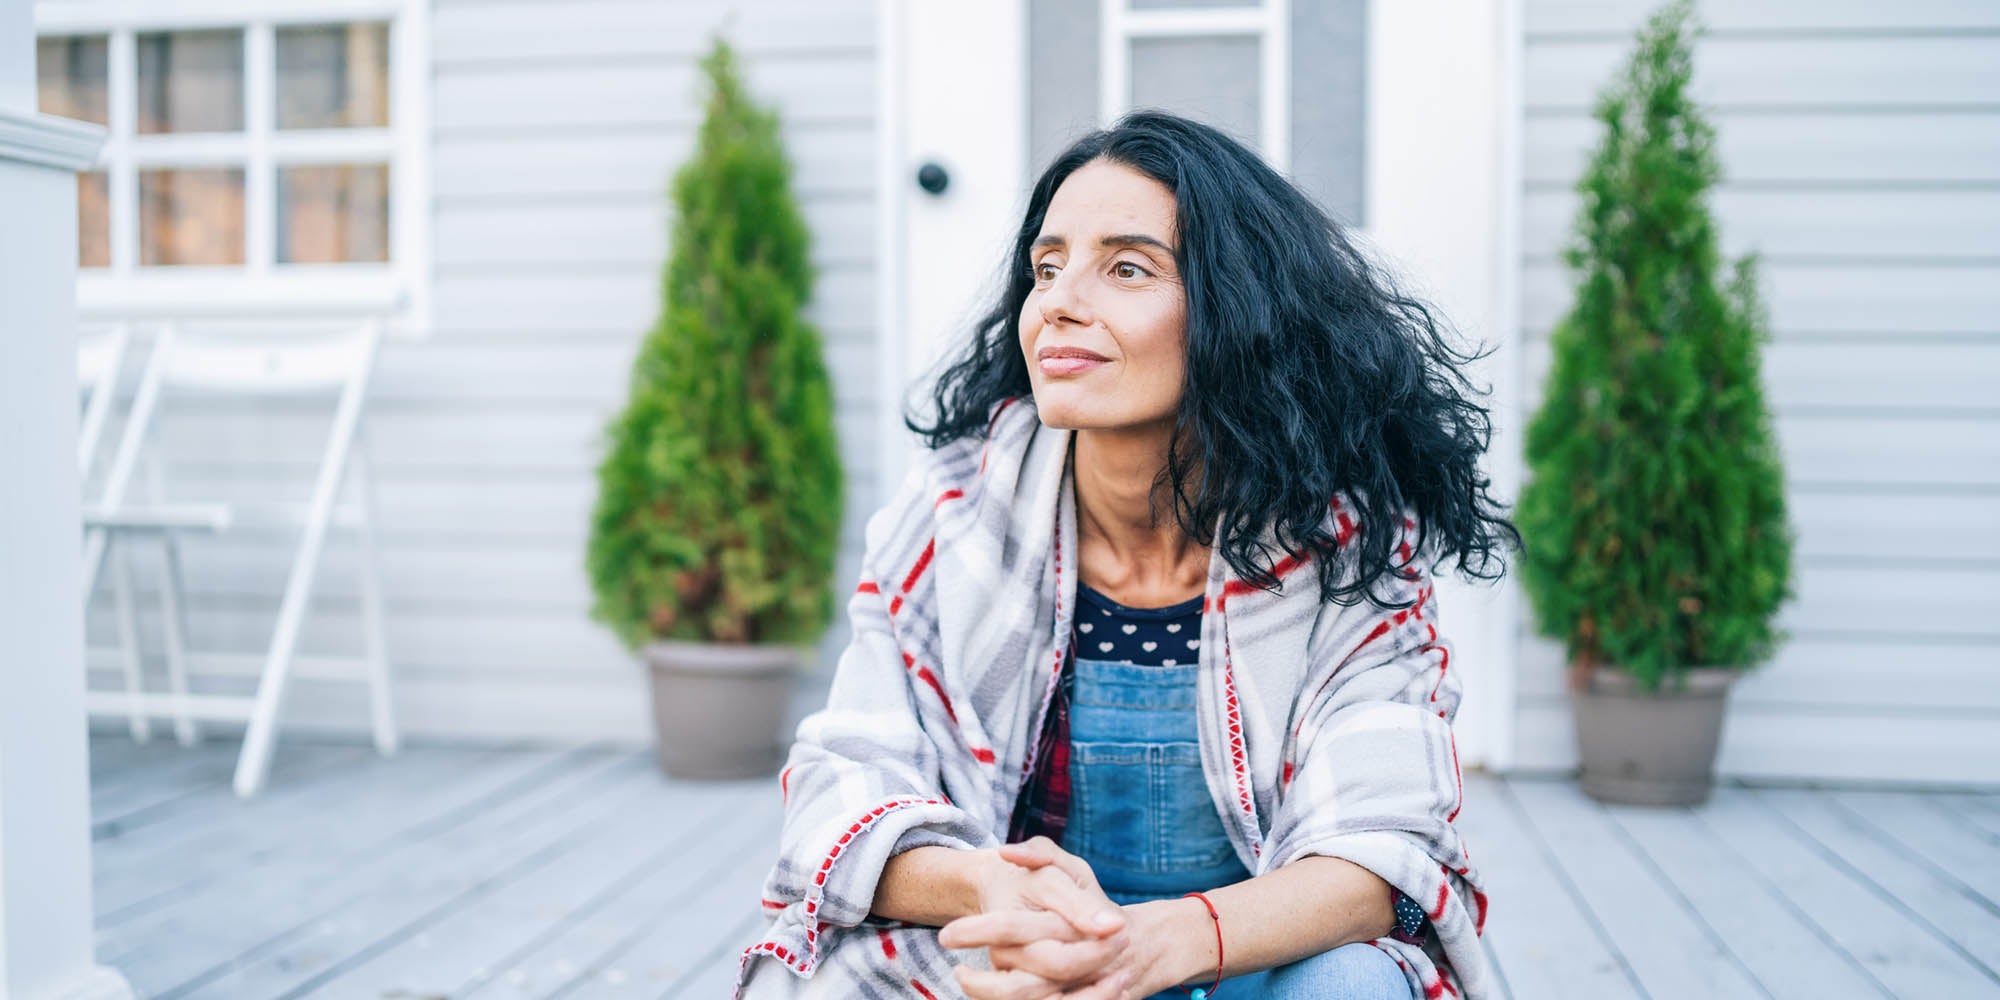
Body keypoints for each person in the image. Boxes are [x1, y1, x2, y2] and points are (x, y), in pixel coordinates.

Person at [735, 110, 1519, 1000]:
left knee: (1354, 983)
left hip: (1244, 968)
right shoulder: (953, 519)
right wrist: (993, 890)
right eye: (1047, 266)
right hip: (1014, 968)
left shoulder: (1342, 546)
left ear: (1236, 312)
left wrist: (1163, 943)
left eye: (1127, 267)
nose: (1061, 299)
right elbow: (840, 789)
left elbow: (1384, 848)